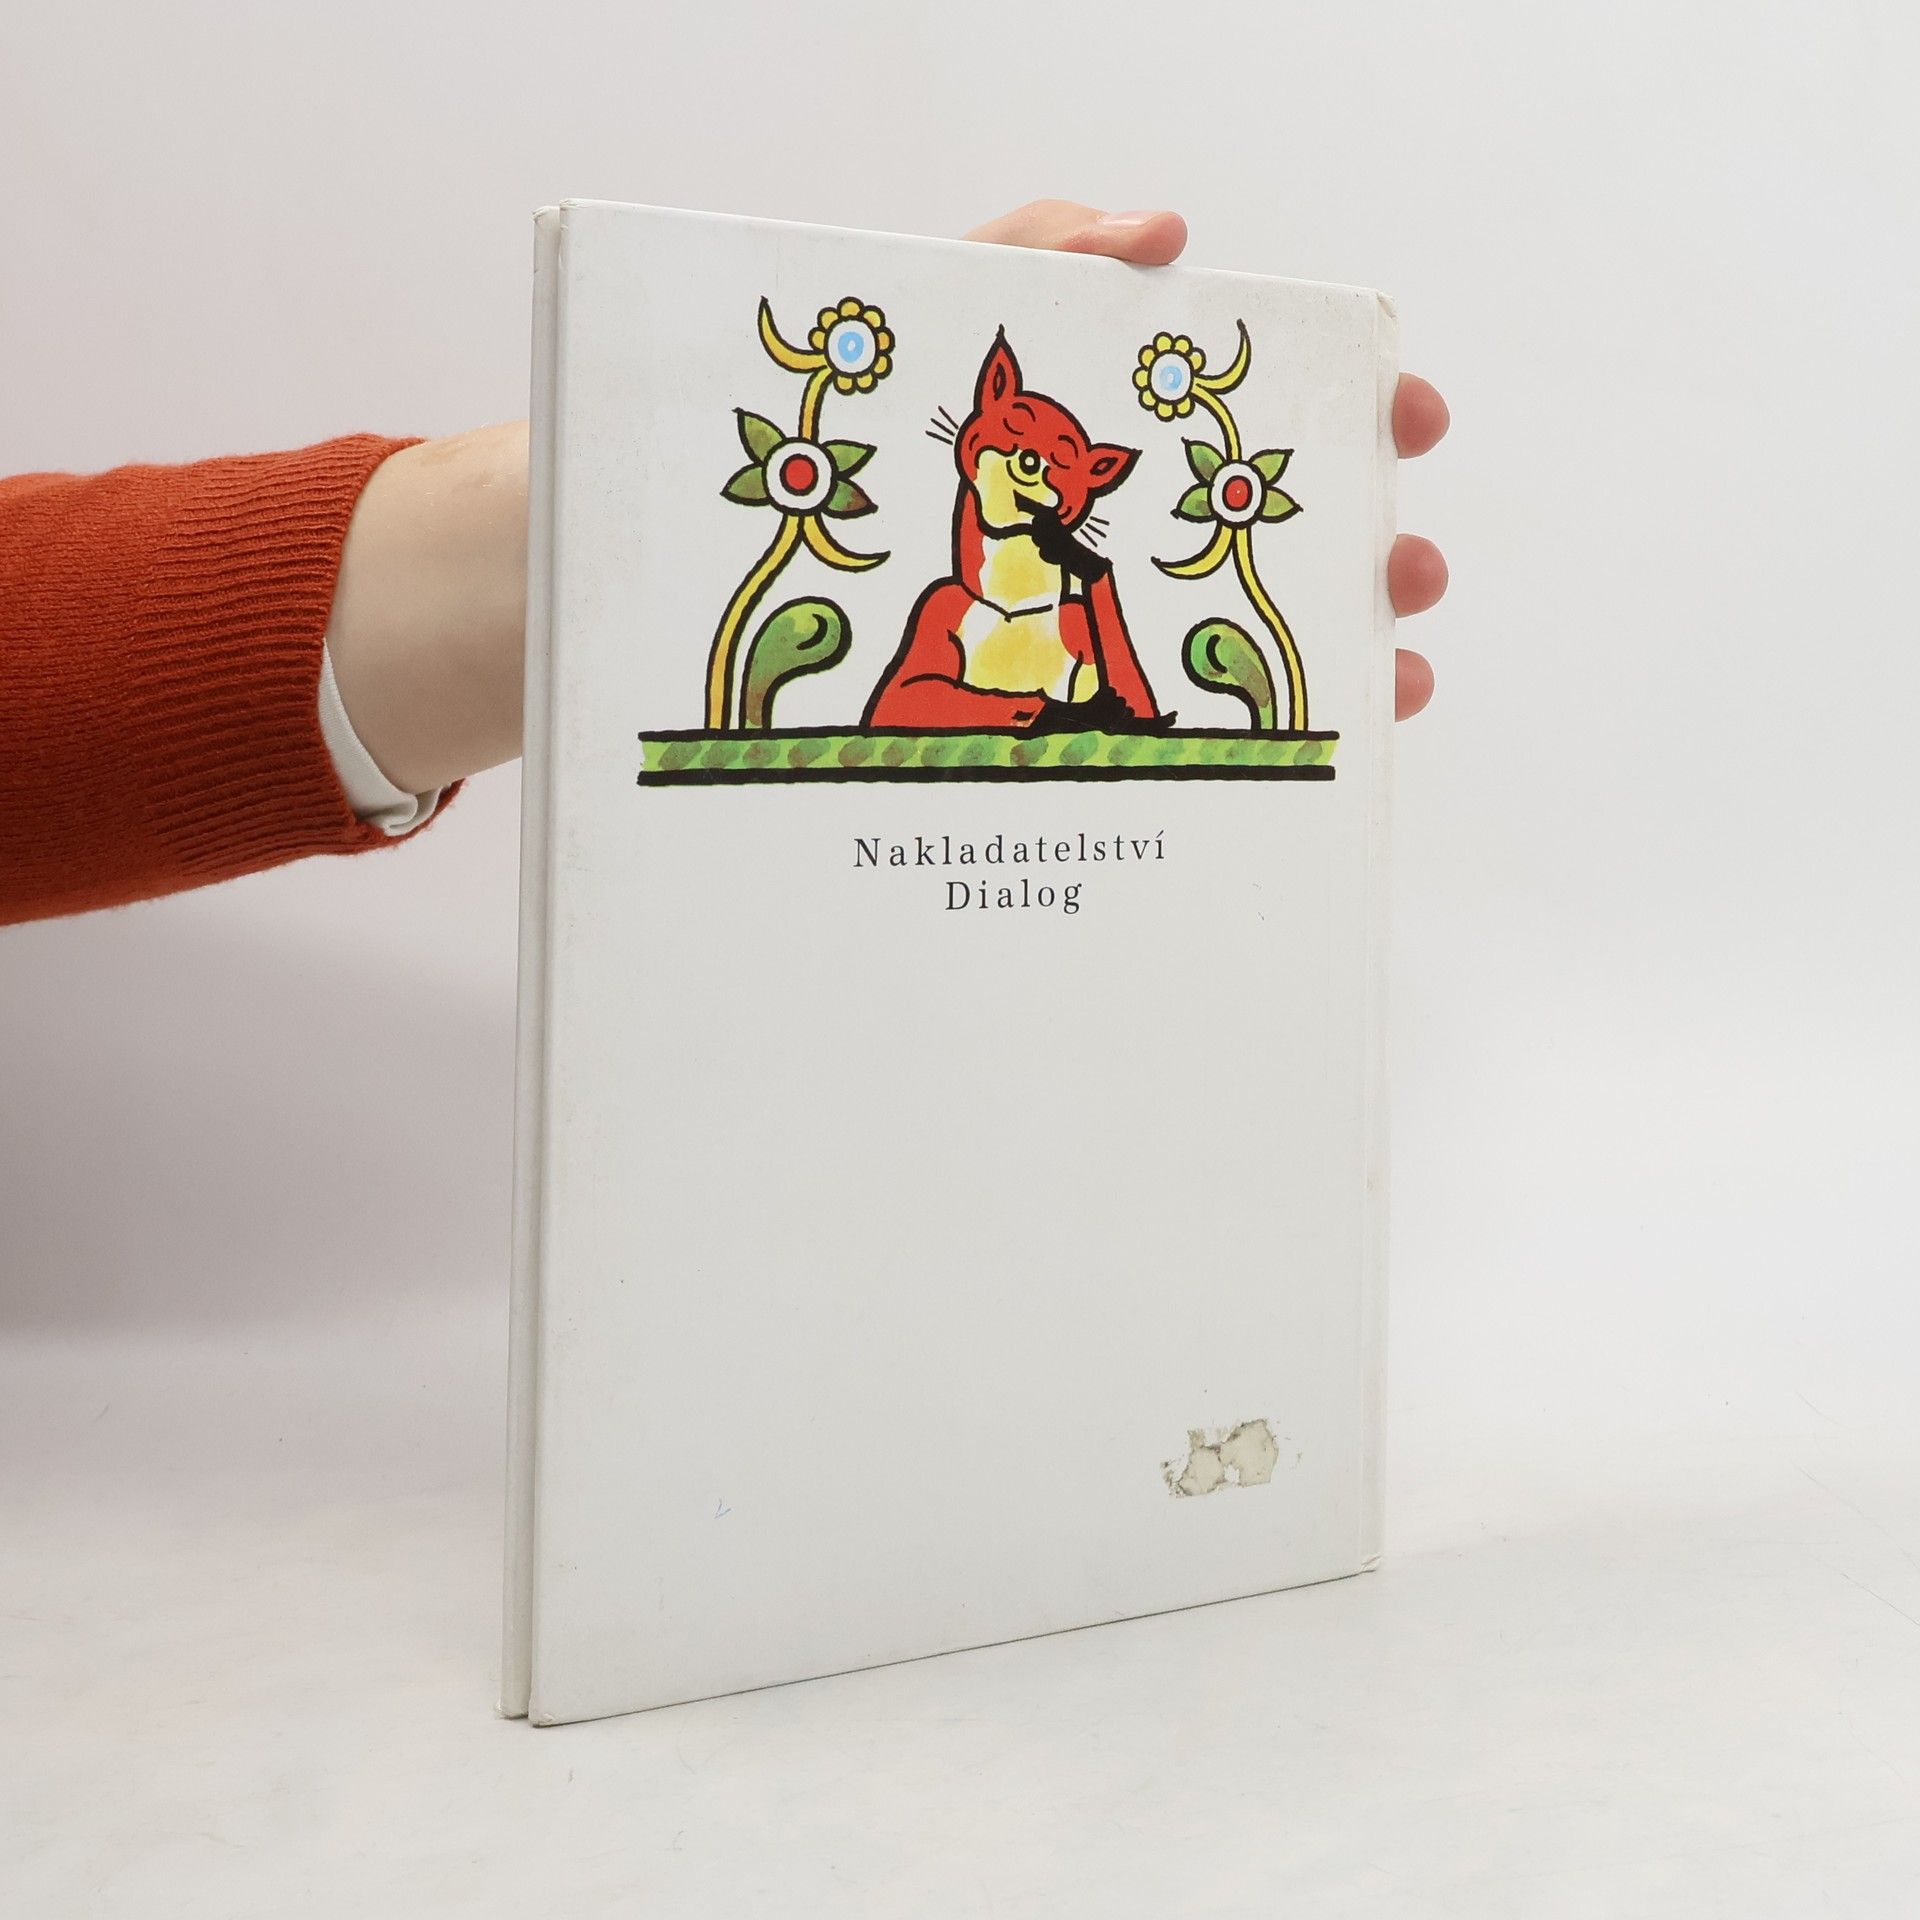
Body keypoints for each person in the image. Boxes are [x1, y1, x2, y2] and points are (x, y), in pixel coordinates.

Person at [0, 202, 1447, 928]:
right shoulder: (948, 598)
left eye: (1062, 474)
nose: (1035, 486)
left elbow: (1132, 706)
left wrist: (621, 512)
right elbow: (906, 701)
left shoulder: (1091, 594)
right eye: (1017, 455)